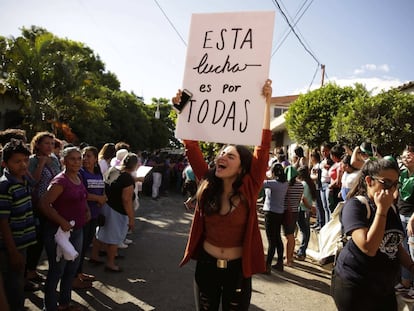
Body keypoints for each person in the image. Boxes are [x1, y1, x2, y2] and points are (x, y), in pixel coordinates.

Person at [177, 79, 272, 310]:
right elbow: (191, 145)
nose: (222, 157)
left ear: (241, 168)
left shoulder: (250, 186)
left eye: (231, 156)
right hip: (206, 268)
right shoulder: (208, 182)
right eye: (222, 153)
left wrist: (266, 103)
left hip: (238, 271)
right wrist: (182, 108)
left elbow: (263, 146)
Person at [331, 157, 414, 311]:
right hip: (356, 286)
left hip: (384, 287)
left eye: (395, 184)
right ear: (369, 181)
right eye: (386, 183)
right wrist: (381, 210)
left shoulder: (392, 208)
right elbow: (368, 247)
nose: (391, 189)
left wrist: (410, 265)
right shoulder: (356, 206)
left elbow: (394, 244)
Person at [39, 147, 89, 311]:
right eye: (72, 159)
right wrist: (61, 221)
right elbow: (44, 204)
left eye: (79, 158)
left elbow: (82, 197)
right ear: (64, 161)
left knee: (71, 269)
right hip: (59, 233)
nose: (76, 162)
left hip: (77, 231)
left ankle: (64, 304)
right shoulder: (60, 181)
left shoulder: (78, 176)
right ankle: (51, 307)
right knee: (56, 271)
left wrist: (87, 210)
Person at [0, 139, 36, 311]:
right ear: (4, 163)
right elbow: (3, 223)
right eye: (17, 161)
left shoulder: (24, 180)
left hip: (23, 244)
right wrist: (13, 252)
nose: (23, 165)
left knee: (18, 284)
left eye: (26, 160)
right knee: (13, 288)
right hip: (9, 248)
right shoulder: (5, 186)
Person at [26, 131, 62, 290]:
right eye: (46, 143)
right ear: (38, 144)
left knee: (45, 240)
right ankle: (28, 272)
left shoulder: (54, 159)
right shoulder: (32, 161)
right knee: (36, 239)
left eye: (52, 143)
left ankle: (32, 271)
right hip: (37, 206)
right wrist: (41, 164)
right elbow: (32, 182)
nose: (49, 146)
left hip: (52, 205)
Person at [90, 153, 138, 272]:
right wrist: (131, 218)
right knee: (114, 238)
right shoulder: (127, 178)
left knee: (101, 233)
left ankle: (94, 256)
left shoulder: (112, 170)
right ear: (135, 165)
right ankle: (110, 263)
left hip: (106, 206)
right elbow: (126, 200)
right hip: (117, 211)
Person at [73, 146, 107, 289]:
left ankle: (79, 273)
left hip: (94, 215)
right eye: (84, 156)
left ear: (95, 159)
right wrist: (98, 198)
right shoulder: (80, 173)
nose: (85, 159)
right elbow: (82, 193)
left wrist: (103, 197)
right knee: (78, 248)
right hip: (83, 215)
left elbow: (101, 189)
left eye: (88, 156)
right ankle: (73, 277)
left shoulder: (98, 173)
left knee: (86, 245)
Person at [395, 145, 414, 300]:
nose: (405, 158)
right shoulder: (402, 174)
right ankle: (405, 283)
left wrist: (412, 220)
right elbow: (397, 194)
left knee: (413, 254)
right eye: (403, 156)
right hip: (401, 216)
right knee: (404, 252)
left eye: (408, 156)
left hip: (411, 219)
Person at [262, 163, 288, 273]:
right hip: (279, 213)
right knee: (277, 238)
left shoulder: (272, 184)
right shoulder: (284, 183)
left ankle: (267, 265)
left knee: (271, 240)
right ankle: (280, 263)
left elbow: (261, 182)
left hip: (270, 212)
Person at [282, 165, 304, 267]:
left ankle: (288, 259)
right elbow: (299, 199)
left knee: (288, 236)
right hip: (295, 211)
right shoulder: (300, 185)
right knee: (292, 235)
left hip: (286, 212)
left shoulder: (285, 185)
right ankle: (290, 256)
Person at [296, 166, 317, 261]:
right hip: (306, 210)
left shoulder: (303, 184)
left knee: (304, 231)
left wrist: (309, 207)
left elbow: (302, 198)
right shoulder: (309, 183)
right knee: (305, 231)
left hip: (302, 209)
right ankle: (301, 251)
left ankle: (301, 251)